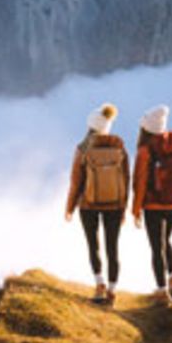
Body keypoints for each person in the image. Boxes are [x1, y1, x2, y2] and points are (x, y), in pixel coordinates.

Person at [64, 103, 130, 305]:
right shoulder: (119, 147)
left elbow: (76, 181)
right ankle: (112, 290)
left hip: (88, 204)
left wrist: (69, 207)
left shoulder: (83, 148)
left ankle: (99, 284)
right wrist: (124, 207)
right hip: (115, 205)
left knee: (93, 246)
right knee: (113, 248)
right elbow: (126, 179)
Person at [131, 104, 172, 305]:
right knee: (166, 241)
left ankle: (161, 291)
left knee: (156, 247)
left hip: (153, 206)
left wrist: (135, 210)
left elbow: (140, 182)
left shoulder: (145, 151)